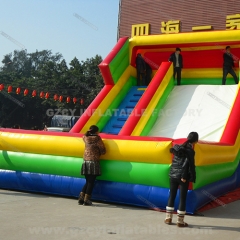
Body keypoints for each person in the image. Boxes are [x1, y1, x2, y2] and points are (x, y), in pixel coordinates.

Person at [164, 132, 198, 227]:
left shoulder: (177, 148)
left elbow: (175, 162)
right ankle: (180, 221)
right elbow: (187, 164)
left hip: (173, 175)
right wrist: (184, 176)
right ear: (195, 141)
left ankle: (168, 218)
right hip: (182, 177)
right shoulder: (190, 151)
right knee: (182, 198)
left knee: (172, 195)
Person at [78, 125, 106, 206]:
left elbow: (84, 137)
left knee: (88, 181)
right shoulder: (97, 138)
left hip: (86, 161)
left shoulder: (85, 137)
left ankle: (81, 197)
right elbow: (103, 150)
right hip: (93, 161)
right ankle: (87, 199)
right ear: (96, 131)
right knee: (91, 181)